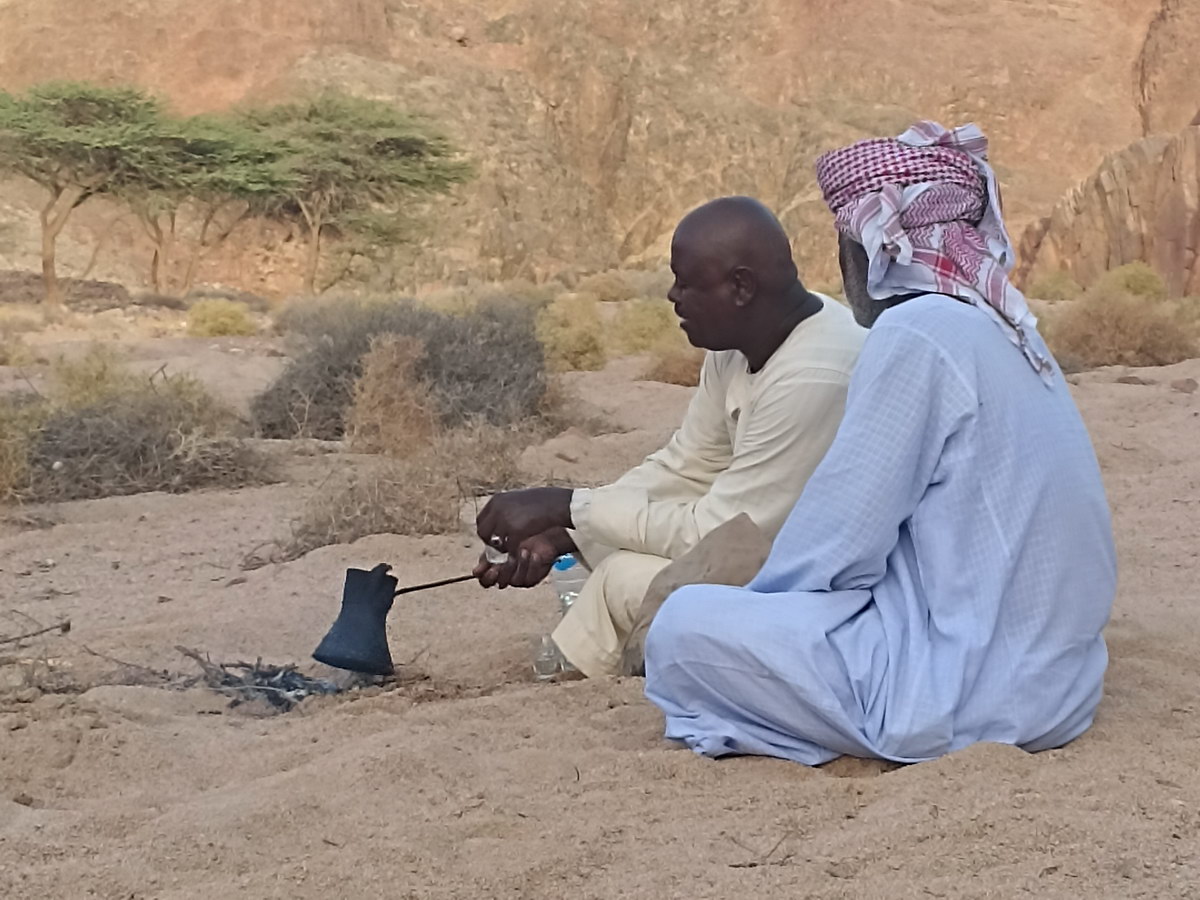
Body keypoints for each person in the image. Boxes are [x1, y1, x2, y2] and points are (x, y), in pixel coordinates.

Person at [642, 121, 1118, 765]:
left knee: (683, 628)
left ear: (871, 248)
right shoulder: (1007, 327)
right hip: (1065, 686)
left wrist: (751, 610)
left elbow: (834, 552)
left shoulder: (916, 332)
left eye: (846, 246)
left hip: (977, 693)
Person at [474, 196, 866, 678]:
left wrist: (569, 507)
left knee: (624, 578)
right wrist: (567, 532)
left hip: (829, 593)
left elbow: (716, 533)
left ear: (741, 287)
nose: (672, 296)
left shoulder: (814, 375)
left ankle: (577, 675)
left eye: (687, 283)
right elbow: (687, 466)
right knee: (623, 564)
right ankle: (575, 672)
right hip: (762, 555)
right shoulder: (743, 342)